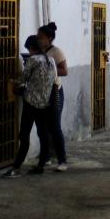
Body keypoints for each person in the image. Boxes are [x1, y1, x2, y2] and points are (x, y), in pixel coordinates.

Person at [3, 36, 57, 178]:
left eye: (28, 49)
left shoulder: (33, 60)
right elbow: (53, 80)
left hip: (31, 103)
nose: (29, 51)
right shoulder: (50, 60)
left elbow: (23, 79)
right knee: (43, 135)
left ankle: (16, 167)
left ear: (31, 48)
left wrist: (10, 80)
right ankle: (41, 165)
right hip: (45, 104)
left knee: (24, 135)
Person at [37, 22, 68, 171]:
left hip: (55, 91)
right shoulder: (38, 52)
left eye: (41, 37)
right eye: (38, 37)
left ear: (49, 38)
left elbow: (64, 71)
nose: (39, 39)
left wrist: (50, 72)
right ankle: (46, 157)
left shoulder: (56, 52)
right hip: (43, 92)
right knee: (44, 127)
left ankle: (62, 160)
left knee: (55, 126)